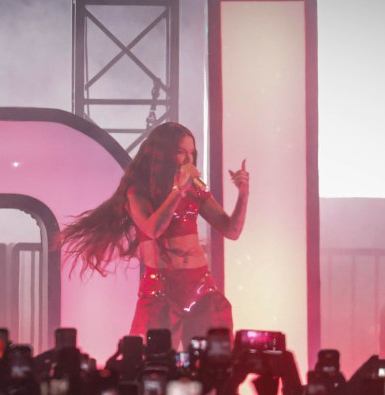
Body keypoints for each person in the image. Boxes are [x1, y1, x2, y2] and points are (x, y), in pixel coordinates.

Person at [59, 121, 250, 351]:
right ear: (163, 154)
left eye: (192, 153)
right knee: (153, 360)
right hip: (161, 289)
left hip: (200, 286)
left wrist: (243, 194)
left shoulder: (196, 188)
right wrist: (178, 190)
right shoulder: (138, 191)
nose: (188, 160)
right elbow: (153, 229)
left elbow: (232, 230)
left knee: (213, 358)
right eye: (181, 152)